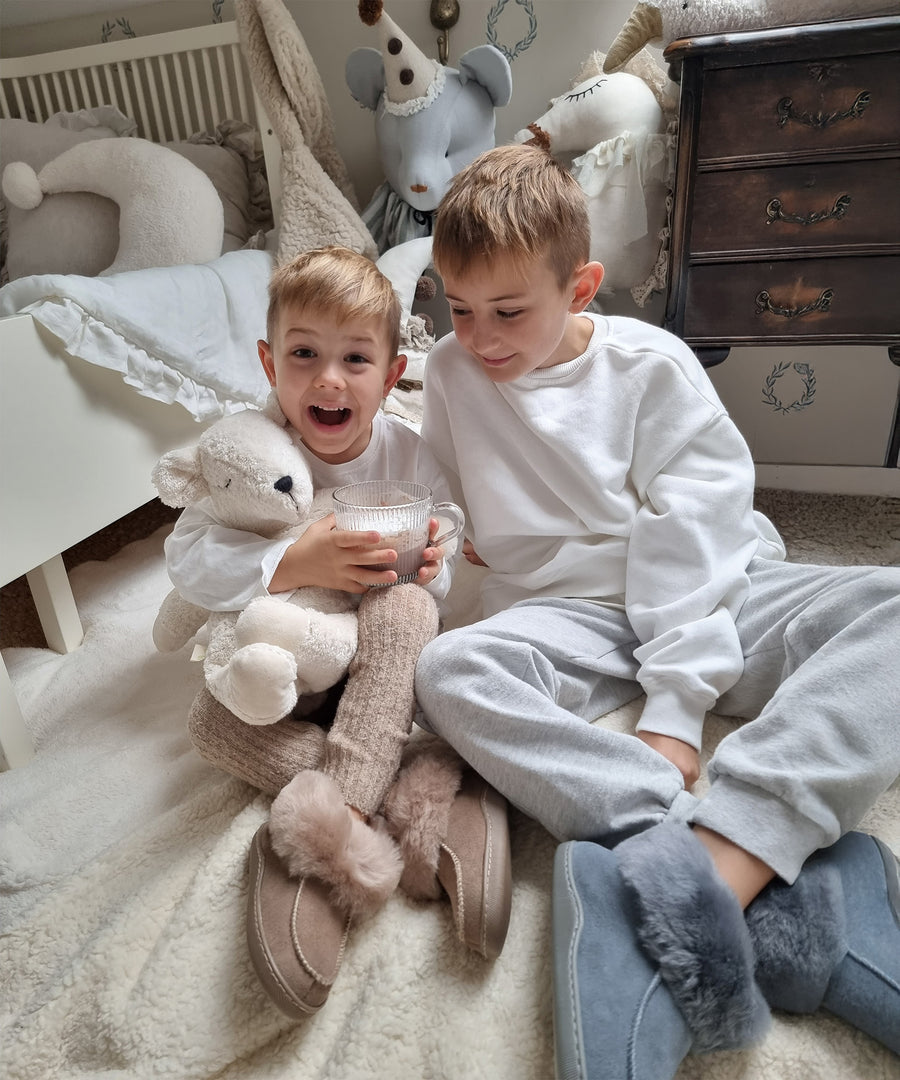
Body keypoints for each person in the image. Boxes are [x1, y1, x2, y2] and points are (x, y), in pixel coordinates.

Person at [413, 144, 900, 1076]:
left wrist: (677, 710)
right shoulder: (446, 370)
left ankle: (732, 854)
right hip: (566, 609)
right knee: (449, 669)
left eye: (509, 310)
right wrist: (441, 534)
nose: (479, 337)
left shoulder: (651, 368)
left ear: (583, 287)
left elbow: (694, 537)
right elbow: (441, 485)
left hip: (714, 585)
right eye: (457, 307)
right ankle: (686, 840)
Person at [164, 246, 511, 1017]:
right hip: (287, 667)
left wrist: (430, 571)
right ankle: (409, 799)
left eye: (355, 359)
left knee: (410, 609)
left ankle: (341, 817)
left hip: (376, 674)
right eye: (304, 355)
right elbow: (186, 557)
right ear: (268, 362)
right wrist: (290, 560)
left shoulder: (409, 452)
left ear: (390, 376)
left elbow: (441, 559)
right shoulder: (248, 449)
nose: (328, 378)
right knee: (207, 723)